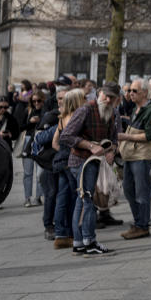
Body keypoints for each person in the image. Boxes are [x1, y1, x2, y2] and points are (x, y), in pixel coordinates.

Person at [58, 81, 120, 255]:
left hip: (96, 163)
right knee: (87, 201)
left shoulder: (113, 113)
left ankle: (80, 242)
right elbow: (66, 136)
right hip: (81, 162)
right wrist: (90, 146)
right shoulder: (85, 110)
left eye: (111, 97)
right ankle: (88, 240)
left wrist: (111, 151)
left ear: (116, 99)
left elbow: (114, 139)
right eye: (105, 95)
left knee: (84, 199)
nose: (107, 99)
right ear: (99, 93)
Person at [118, 78, 151, 239]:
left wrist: (125, 136)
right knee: (128, 189)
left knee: (141, 192)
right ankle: (138, 221)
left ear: (144, 92)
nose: (131, 94)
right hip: (130, 155)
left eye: (134, 91)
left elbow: (149, 135)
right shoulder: (136, 108)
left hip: (141, 156)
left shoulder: (150, 109)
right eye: (129, 91)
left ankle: (142, 225)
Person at [49, 88, 85, 248]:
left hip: (60, 161)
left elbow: (55, 142)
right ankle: (72, 232)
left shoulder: (62, 118)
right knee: (75, 197)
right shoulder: (77, 118)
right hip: (72, 162)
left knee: (62, 197)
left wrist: (63, 152)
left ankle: (60, 234)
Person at [19, 91, 46, 207]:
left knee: (40, 173)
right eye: (33, 101)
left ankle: (38, 197)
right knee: (27, 172)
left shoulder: (46, 112)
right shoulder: (28, 111)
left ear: (43, 100)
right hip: (28, 141)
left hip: (41, 142)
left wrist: (41, 121)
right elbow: (21, 127)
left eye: (38, 101)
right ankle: (27, 198)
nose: (36, 103)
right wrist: (30, 122)